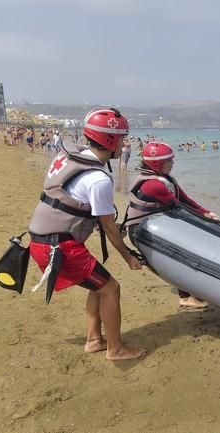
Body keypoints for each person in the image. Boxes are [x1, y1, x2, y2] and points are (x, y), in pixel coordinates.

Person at [28, 108, 146, 361]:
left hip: (42, 240)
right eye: (123, 139)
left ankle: (95, 340)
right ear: (110, 140)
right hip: (58, 248)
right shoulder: (98, 179)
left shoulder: (72, 156)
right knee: (111, 289)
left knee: (98, 285)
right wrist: (129, 258)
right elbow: (108, 226)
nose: (126, 144)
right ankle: (116, 349)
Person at [123, 140, 218, 308]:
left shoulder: (163, 179)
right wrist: (204, 220)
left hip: (154, 227)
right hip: (140, 231)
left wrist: (206, 212)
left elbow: (185, 198)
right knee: (181, 256)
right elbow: (179, 205)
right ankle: (185, 297)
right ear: (157, 163)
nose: (173, 163)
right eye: (169, 161)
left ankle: (191, 293)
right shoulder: (154, 185)